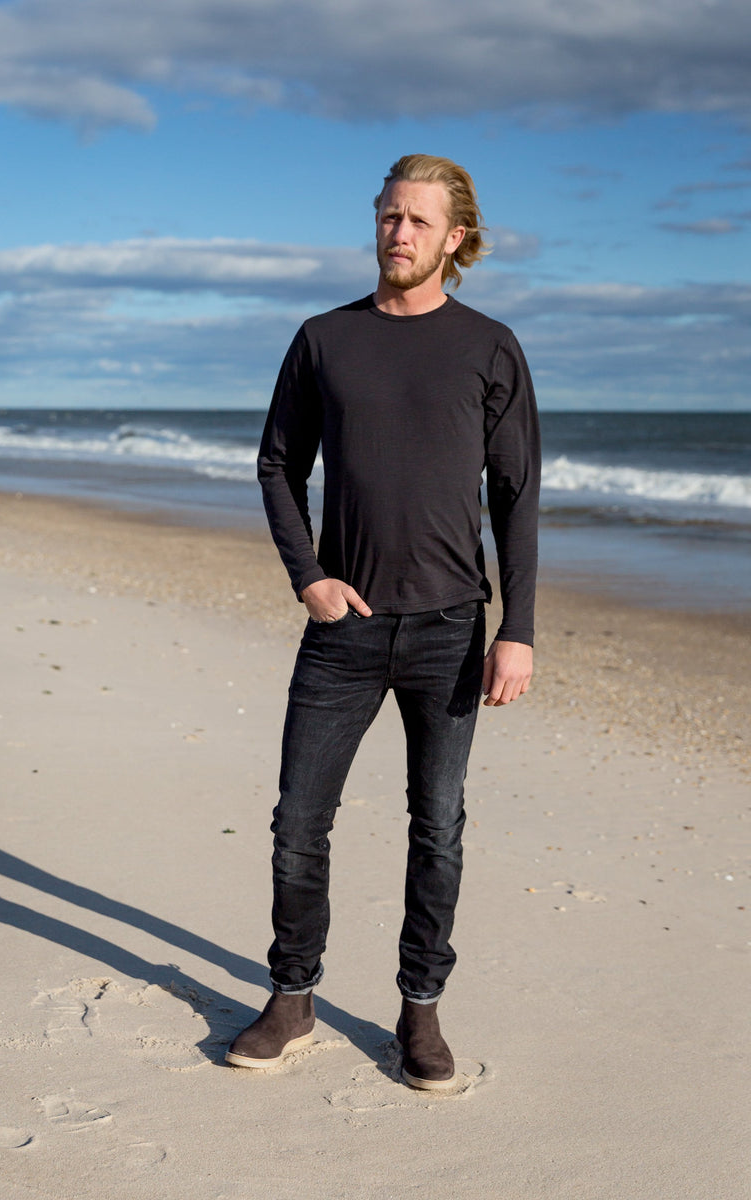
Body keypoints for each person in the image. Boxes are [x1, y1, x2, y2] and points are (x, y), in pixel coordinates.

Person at [225, 154, 540, 1090]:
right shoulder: (324, 338)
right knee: (297, 824)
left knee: (437, 826)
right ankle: (293, 996)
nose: (397, 232)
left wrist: (516, 629)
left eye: (417, 221)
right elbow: (278, 465)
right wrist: (309, 579)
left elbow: (517, 495)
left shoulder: (490, 346)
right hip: (344, 630)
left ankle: (420, 1012)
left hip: (450, 629)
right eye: (388, 216)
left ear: (456, 239)